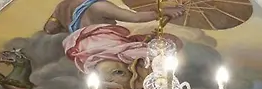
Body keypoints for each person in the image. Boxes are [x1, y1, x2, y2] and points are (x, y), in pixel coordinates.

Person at [44, 0, 186, 34]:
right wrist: (163, 12)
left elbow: (50, 28)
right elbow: (135, 18)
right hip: (105, 45)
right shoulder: (100, 6)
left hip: (79, 48)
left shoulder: (63, 5)